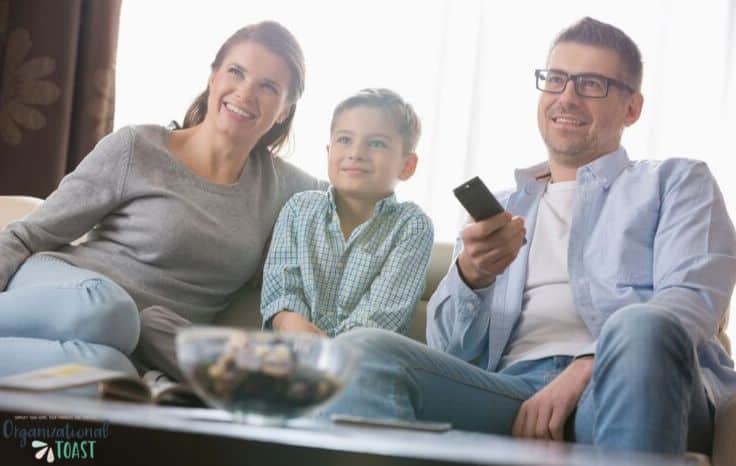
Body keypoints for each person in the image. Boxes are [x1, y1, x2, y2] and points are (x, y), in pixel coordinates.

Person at [323, 17, 736, 455]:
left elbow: (692, 298)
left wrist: (585, 368)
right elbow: (451, 350)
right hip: (516, 394)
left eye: (591, 84)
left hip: (626, 384)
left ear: (631, 108)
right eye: (556, 80)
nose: (567, 98)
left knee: (641, 325)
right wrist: (471, 275)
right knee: (361, 353)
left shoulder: (675, 181)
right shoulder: (503, 209)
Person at [0, 21, 325, 378]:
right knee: (112, 311)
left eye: (268, 87)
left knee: (111, 374)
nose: (246, 94)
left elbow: (362, 197)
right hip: (70, 293)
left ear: (284, 110)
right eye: (236, 72)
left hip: (128, 348)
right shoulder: (137, 148)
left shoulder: (283, 187)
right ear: (213, 77)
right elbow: (25, 235)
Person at [260, 89, 433, 337]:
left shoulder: (411, 226)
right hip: (289, 358)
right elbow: (283, 292)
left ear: (407, 166)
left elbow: (380, 319)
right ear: (329, 152)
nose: (356, 153)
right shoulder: (298, 209)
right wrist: (293, 326)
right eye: (344, 140)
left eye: (376, 143)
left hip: (362, 366)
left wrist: (326, 354)